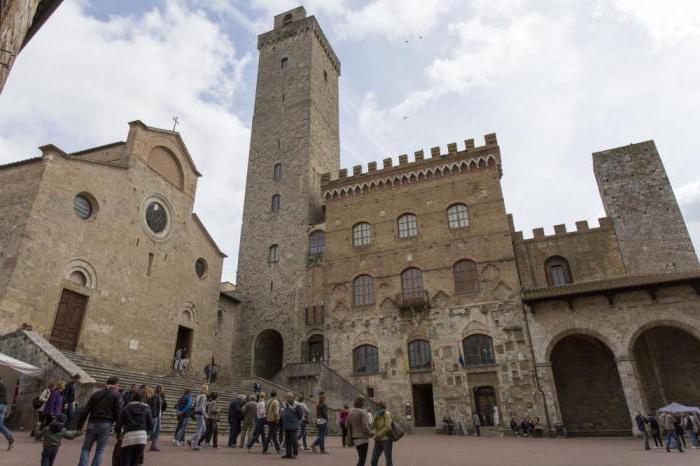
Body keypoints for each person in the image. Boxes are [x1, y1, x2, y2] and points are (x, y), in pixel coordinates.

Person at [77, 376, 121, 466]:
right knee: (100, 449)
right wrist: (118, 429)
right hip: (106, 423)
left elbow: (86, 410)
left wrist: (80, 424)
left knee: (86, 448)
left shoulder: (96, 394)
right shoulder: (116, 396)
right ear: (116, 385)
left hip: (92, 422)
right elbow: (118, 413)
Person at [115, 391, 153, 466]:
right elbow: (151, 424)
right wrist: (147, 433)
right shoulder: (147, 408)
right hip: (142, 436)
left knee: (125, 460)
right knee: (135, 461)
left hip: (129, 436)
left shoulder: (126, 408)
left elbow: (119, 423)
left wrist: (118, 435)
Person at [347, 396, 372, 466]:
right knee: (362, 460)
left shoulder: (351, 412)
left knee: (360, 457)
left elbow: (347, 424)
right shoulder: (362, 412)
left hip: (355, 437)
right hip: (362, 438)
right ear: (362, 403)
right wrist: (370, 433)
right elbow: (365, 426)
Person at [370, 400, 393, 466]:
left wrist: (378, 434)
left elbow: (388, 427)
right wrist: (375, 419)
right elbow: (372, 427)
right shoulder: (376, 414)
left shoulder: (386, 414)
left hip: (386, 440)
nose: (375, 407)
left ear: (381, 406)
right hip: (378, 440)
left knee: (388, 461)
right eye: (375, 406)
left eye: (377, 406)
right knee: (373, 461)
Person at [281, 392, 302, 459]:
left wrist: (295, 420)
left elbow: (300, 415)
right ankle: (288, 453)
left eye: (289, 397)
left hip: (293, 424)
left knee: (293, 440)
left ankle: (295, 453)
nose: (287, 398)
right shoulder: (286, 404)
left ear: (292, 398)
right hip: (287, 424)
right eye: (287, 397)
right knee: (287, 440)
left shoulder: (296, 404)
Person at [189, 384, 209, 451]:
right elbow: (201, 407)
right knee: (200, 429)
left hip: (197, 413)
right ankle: (195, 445)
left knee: (203, 429)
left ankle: (191, 440)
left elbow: (196, 405)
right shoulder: (203, 396)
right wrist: (205, 414)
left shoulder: (199, 395)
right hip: (200, 414)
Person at [147, 385, 166, 451]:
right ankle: (143, 439)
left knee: (157, 430)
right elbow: (153, 406)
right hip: (156, 416)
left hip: (158, 416)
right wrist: (154, 415)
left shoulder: (159, 396)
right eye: (163, 389)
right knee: (152, 430)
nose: (163, 390)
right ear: (160, 389)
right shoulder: (156, 396)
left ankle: (153, 445)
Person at [0, 376, 14, 450]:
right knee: (0, 425)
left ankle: (10, 437)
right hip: (3, 406)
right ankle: (10, 437)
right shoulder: (3, 387)